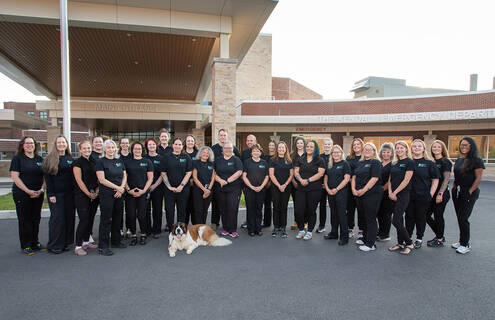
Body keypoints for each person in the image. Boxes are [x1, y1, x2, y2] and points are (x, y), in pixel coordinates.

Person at [10, 136, 45, 255]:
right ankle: (26, 244)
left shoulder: (39, 159)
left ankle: (35, 242)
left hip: (37, 194)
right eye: (27, 143)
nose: (30, 145)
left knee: (36, 218)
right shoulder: (18, 159)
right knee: (25, 219)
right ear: (22, 145)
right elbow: (15, 177)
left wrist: (41, 190)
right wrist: (28, 191)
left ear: (35, 145)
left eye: (32, 143)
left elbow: (45, 176)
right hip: (22, 194)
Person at [42, 135, 75, 254]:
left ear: (66, 144)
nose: (61, 144)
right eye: (59, 142)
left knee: (68, 218)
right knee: (57, 220)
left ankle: (66, 242)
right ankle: (54, 244)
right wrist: (51, 194)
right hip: (56, 195)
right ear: (55, 144)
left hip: (70, 195)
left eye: (63, 142)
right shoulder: (50, 159)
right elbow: (48, 178)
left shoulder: (70, 159)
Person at [451, 137, 484, 254]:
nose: (463, 147)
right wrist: (454, 187)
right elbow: (456, 176)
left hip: (469, 192)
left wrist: (470, 191)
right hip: (457, 191)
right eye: (461, 145)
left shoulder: (477, 160)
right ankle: (461, 241)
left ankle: (465, 244)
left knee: (463, 218)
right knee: (459, 217)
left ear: (471, 146)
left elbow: (478, 178)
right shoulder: (459, 160)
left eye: (466, 145)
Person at [406, 139, 440, 249]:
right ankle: (408, 238)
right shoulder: (408, 162)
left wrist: (431, 194)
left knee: (420, 217)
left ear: (423, 148)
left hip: (423, 195)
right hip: (409, 195)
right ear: (411, 149)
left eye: (419, 146)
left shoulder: (429, 163)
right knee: (409, 217)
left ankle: (419, 238)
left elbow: (435, 180)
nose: (416, 148)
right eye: (414, 146)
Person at [95, 139, 127, 256]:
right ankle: (103, 246)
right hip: (107, 195)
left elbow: (124, 175)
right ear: (104, 149)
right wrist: (117, 188)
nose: (111, 149)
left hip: (119, 194)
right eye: (108, 147)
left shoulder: (119, 161)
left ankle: (116, 241)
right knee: (106, 220)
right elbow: (102, 180)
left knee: (118, 218)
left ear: (116, 149)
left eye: (113, 147)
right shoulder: (100, 162)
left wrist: (122, 188)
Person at [352, 142, 382, 252]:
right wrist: (354, 189)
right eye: (365, 149)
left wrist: (363, 190)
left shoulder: (376, 162)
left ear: (374, 151)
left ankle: (371, 244)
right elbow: (354, 177)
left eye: (370, 149)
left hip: (372, 194)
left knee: (370, 217)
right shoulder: (360, 163)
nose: (367, 151)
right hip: (359, 194)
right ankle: (365, 238)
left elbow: (374, 178)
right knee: (363, 217)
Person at [293, 140, 325, 240]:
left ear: (315, 148)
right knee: (299, 210)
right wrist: (300, 180)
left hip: (314, 189)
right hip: (301, 188)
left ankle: (310, 231)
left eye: (311, 147)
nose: (309, 148)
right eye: (307, 146)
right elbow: (296, 172)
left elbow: (321, 173)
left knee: (311, 210)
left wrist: (308, 180)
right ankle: (301, 230)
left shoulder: (320, 160)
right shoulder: (301, 159)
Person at [388, 141, 415, 255]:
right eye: (397, 148)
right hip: (392, 194)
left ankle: (409, 243)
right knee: (400, 220)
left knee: (395, 220)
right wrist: (390, 192)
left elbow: (406, 180)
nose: (399, 150)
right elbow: (390, 179)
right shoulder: (395, 163)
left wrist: (395, 192)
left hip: (403, 194)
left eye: (401, 148)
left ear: (406, 149)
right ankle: (400, 243)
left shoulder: (410, 162)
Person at [73, 140, 99, 256]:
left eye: (88, 148)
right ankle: (78, 246)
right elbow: (79, 180)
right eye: (84, 148)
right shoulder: (77, 163)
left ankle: (86, 241)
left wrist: (96, 191)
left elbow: (98, 177)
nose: (87, 150)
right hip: (82, 195)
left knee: (91, 218)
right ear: (80, 150)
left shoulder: (94, 160)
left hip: (95, 194)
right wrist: (88, 194)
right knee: (84, 220)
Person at [211, 128, 240, 230]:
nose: (223, 137)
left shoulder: (234, 149)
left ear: (227, 137)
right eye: (221, 135)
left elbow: (238, 164)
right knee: (216, 203)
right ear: (218, 137)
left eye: (224, 135)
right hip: (217, 180)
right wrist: (217, 179)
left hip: (231, 183)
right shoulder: (213, 149)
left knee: (229, 205)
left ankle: (229, 226)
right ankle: (215, 222)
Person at [125, 142, 153, 246]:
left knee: (142, 215)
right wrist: (128, 190)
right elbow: (124, 178)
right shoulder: (127, 162)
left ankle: (143, 234)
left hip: (143, 192)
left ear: (142, 150)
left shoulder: (147, 162)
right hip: (130, 193)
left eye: (139, 149)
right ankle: (133, 235)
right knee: (131, 215)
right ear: (132, 150)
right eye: (135, 149)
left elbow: (150, 178)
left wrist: (144, 191)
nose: (137, 151)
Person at [161, 138, 193, 230]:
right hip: (169, 190)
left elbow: (189, 173)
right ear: (172, 145)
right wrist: (169, 187)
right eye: (176, 144)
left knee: (182, 211)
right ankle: (171, 229)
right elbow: (163, 173)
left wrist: (181, 186)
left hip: (183, 189)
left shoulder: (186, 157)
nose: (178, 146)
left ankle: (181, 230)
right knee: (169, 210)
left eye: (180, 145)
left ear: (182, 146)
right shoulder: (166, 157)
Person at [426, 140, 453, 247]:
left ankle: (440, 239)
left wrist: (440, 193)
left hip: (441, 194)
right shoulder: (432, 162)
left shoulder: (445, 162)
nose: (436, 149)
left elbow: (446, 179)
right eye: (434, 147)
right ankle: (439, 235)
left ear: (442, 149)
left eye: (438, 147)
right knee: (426, 215)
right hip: (433, 193)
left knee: (438, 216)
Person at [214, 141, 243, 238]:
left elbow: (239, 172)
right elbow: (213, 173)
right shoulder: (218, 160)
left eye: (230, 148)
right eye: (226, 148)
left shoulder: (236, 160)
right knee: (223, 208)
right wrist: (220, 181)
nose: (228, 150)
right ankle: (225, 228)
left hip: (234, 188)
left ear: (233, 149)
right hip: (220, 188)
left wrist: (227, 181)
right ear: (223, 150)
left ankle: (233, 230)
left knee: (232, 208)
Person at [323, 145, 350, 245]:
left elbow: (346, 179)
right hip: (330, 192)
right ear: (331, 154)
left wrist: (337, 189)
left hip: (341, 192)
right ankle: (334, 233)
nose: (336, 154)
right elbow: (326, 178)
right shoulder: (329, 164)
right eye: (334, 152)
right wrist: (328, 189)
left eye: (338, 152)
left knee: (341, 214)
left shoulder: (345, 164)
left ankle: (344, 237)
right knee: (333, 213)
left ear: (341, 153)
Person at [242, 144, 269, 236]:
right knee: (250, 209)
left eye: (257, 151)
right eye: (254, 151)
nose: (256, 152)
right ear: (251, 153)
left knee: (258, 209)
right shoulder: (247, 162)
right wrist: (251, 187)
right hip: (249, 189)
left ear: (260, 152)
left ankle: (258, 228)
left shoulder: (264, 163)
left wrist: (261, 186)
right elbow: (244, 176)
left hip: (261, 190)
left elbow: (267, 176)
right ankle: (251, 229)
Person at [269, 141, 293, 238]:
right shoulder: (273, 160)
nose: (281, 149)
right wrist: (279, 185)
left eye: (283, 147)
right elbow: (271, 174)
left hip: (286, 187)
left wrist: (285, 184)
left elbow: (291, 174)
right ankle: (276, 227)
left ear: (285, 149)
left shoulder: (289, 160)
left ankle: (283, 227)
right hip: (275, 187)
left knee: (284, 207)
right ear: (277, 149)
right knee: (276, 207)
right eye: (279, 147)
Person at [143, 138, 164, 238]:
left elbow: (162, 175)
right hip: (145, 187)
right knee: (146, 209)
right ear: (146, 147)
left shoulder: (160, 158)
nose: (151, 146)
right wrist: (147, 186)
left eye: (153, 144)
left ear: (156, 146)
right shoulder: (144, 158)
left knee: (157, 209)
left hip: (158, 187)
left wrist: (155, 185)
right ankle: (147, 230)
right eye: (149, 145)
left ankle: (157, 230)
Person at [346, 138, 365, 241]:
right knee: (350, 209)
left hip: (363, 189)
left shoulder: (366, 158)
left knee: (361, 210)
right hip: (350, 188)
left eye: (358, 144)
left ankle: (361, 230)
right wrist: (352, 184)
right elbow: (347, 174)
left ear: (362, 145)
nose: (356, 146)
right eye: (354, 145)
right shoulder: (349, 158)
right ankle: (350, 228)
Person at [192, 146, 216, 224]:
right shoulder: (196, 163)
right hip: (198, 190)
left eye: (207, 153)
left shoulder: (211, 164)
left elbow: (213, 178)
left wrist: (208, 190)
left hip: (209, 190)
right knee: (198, 210)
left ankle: (203, 227)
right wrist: (204, 189)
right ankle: (198, 228)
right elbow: (195, 178)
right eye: (204, 152)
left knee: (205, 210)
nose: (205, 154)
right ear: (200, 153)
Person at [240, 134, 258, 229]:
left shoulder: (259, 152)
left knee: (257, 205)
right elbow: (242, 168)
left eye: (251, 140)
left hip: (258, 184)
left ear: (255, 141)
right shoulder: (244, 153)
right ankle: (249, 222)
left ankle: (257, 222)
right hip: (247, 183)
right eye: (248, 140)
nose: (249, 142)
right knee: (249, 205)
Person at [377, 143, 394, 242]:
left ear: (391, 153)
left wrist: (382, 189)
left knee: (386, 213)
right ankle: (380, 231)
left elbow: (390, 180)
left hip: (387, 192)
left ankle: (386, 234)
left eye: (388, 152)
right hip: (378, 192)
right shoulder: (379, 163)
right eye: (384, 152)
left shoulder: (393, 164)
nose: (386, 154)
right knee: (379, 213)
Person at [317, 138, 333, 233]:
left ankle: (334, 228)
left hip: (332, 186)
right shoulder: (320, 157)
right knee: (322, 206)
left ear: (332, 145)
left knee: (334, 207)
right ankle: (321, 226)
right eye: (325, 144)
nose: (327, 146)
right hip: (321, 186)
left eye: (329, 144)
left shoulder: (335, 156)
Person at [290, 137, 305, 230]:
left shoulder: (307, 154)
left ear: (304, 144)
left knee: (305, 203)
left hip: (305, 183)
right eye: (298, 143)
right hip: (294, 183)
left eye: (301, 143)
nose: (299, 145)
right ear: (295, 145)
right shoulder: (292, 155)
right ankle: (296, 221)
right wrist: (293, 181)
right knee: (296, 203)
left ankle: (305, 222)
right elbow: (290, 170)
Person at [118, 137, 131, 238]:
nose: (125, 145)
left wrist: (129, 187)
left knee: (130, 209)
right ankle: (120, 229)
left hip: (131, 187)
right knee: (119, 209)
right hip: (120, 187)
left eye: (127, 143)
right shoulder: (117, 156)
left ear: (129, 144)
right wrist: (124, 186)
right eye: (123, 143)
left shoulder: (132, 156)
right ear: (120, 144)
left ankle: (129, 228)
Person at [262, 140, 276, 228]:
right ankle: (267, 223)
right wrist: (265, 182)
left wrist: (270, 182)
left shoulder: (276, 157)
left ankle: (276, 224)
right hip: (265, 183)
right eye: (269, 145)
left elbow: (276, 172)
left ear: (275, 147)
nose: (271, 147)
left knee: (275, 205)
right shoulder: (265, 157)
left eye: (272, 145)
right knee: (266, 204)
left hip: (273, 184)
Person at [185, 134, 198, 224]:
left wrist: (193, 179)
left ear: (194, 143)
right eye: (188, 141)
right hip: (184, 183)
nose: (190, 142)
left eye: (192, 141)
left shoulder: (198, 153)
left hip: (195, 183)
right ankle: (184, 225)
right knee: (185, 206)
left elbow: (199, 167)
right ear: (185, 143)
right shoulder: (181, 153)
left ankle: (194, 225)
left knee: (194, 206)